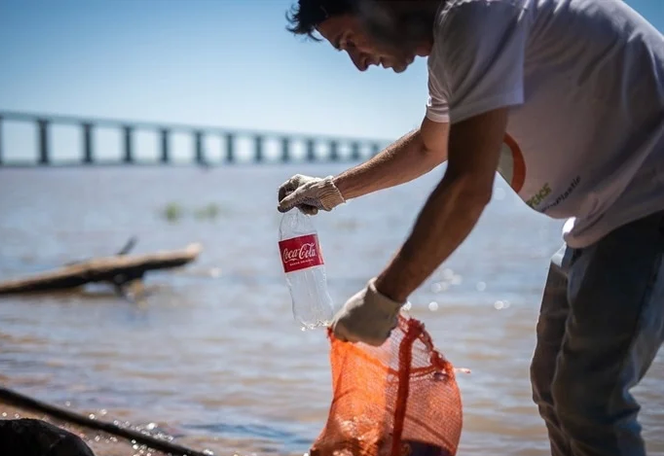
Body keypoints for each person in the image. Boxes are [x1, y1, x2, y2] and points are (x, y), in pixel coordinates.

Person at [275, 0, 664, 455]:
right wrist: (332, 190)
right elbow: (428, 145)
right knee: (553, 389)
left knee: (589, 399)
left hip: (648, 197)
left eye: (349, 41)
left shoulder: (476, 13)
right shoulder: (451, 48)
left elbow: (467, 186)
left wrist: (384, 296)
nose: (358, 63)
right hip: (599, 216)